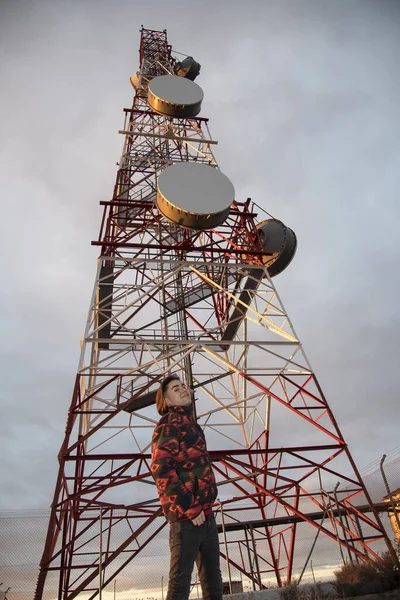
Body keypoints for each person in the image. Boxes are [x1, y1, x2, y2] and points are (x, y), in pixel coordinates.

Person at [151, 374, 223, 600]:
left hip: (206, 516)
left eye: (182, 385)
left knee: (214, 583)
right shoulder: (169, 422)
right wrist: (191, 508)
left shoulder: (191, 425)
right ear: (167, 400)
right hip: (186, 518)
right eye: (175, 388)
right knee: (180, 585)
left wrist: (205, 505)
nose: (183, 389)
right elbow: (162, 471)